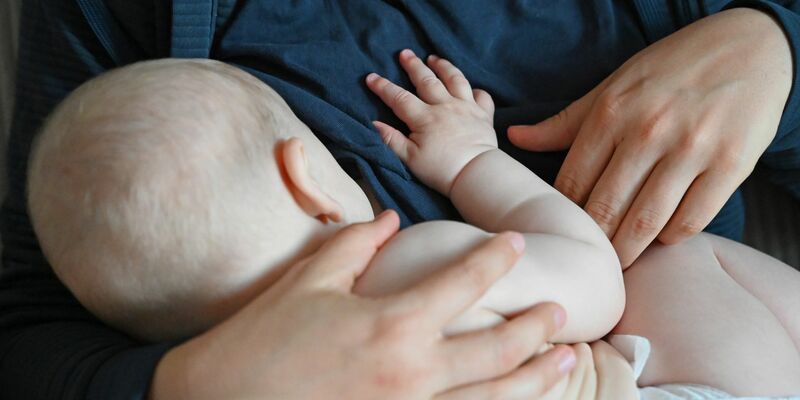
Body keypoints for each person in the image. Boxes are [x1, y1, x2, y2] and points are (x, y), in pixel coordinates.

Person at [3, 1, 800, 398]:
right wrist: (469, 167)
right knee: (673, 262)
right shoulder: (413, 265)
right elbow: (596, 281)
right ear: (308, 179)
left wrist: (778, 45)